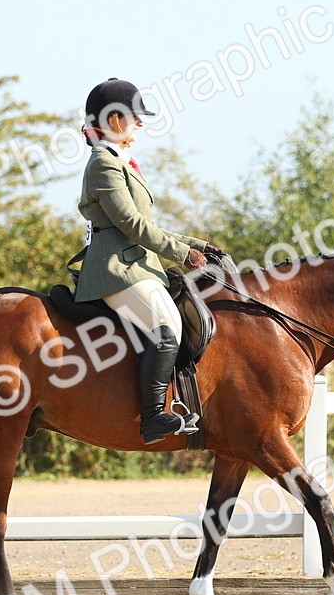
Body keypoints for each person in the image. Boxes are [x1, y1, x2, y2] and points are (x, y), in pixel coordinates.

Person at [75, 77, 226, 444]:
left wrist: (200, 246)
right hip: (116, 269)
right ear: (114, 121)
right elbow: (132, 224)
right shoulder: (102, 163)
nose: (141, 123)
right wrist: (183, 254)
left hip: (135, 263)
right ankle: (154, 417)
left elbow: (149, 225)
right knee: (167, 324)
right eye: (135, 117)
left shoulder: (119, 159)